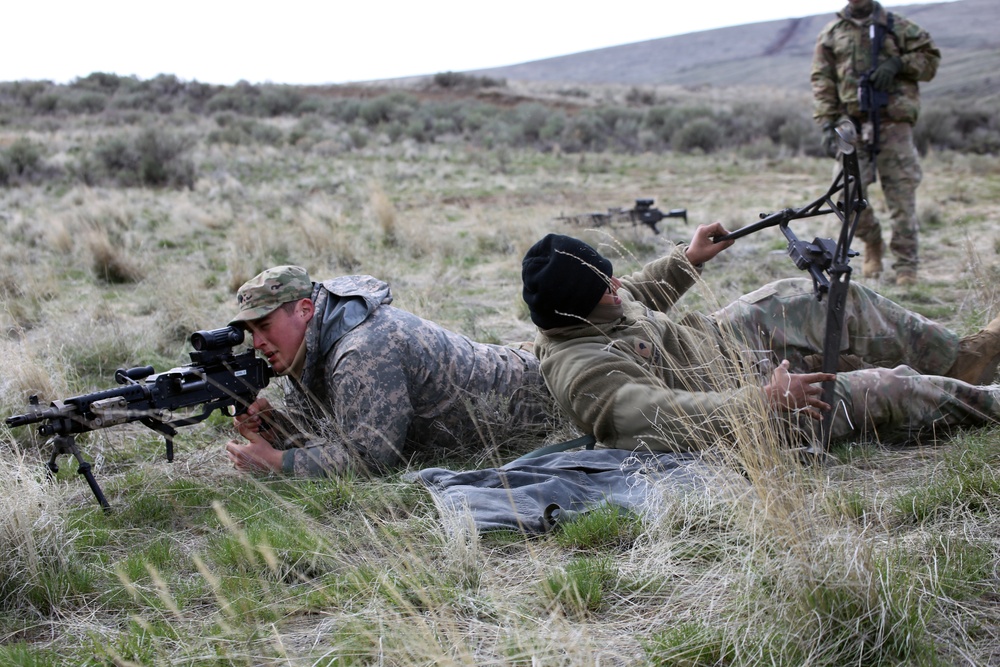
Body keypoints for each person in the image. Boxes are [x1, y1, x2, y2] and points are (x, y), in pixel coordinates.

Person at [520, 229, 1000, 454]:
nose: (619, 287)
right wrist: (764, 401)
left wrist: (687, 259)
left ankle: (961, 359)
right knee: (880, 387)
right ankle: (988, 403)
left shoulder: (596, 302)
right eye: (606, 286)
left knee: (824, 301)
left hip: (721, 343)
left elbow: (635, 295)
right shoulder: (581, 372)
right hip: (741, 415)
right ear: (574, 309)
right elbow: (664, 416)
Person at [224, 266, 550, 476]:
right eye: (252, 331)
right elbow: (329, 427)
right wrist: (275, 429)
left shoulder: (362, 350)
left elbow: (371, 457)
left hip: (538, 395)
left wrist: (280, 463)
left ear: (304, 310)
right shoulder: (311, 344)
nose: (257, 342)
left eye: (265, 326)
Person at [811, 0, 940, 286]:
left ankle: (906, 265)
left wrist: (897, 64)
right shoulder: (831, 33)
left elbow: (930, 61)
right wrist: (827, 122)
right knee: (845, 197)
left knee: (901, 197)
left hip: (894, 124)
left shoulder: (897, 26)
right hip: (852, 125)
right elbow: (822, 79)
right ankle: (873, 242)